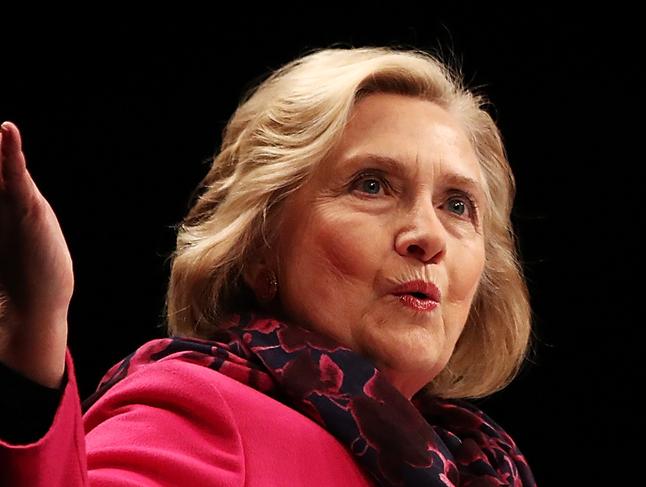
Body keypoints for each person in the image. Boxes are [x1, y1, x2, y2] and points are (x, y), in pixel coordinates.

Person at [0, 46, 537, 486]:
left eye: (457, 205)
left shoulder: (481, 464)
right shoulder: (203, 410)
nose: (428, 237)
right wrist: (34, 333)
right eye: (371, 185)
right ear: (260, 247)